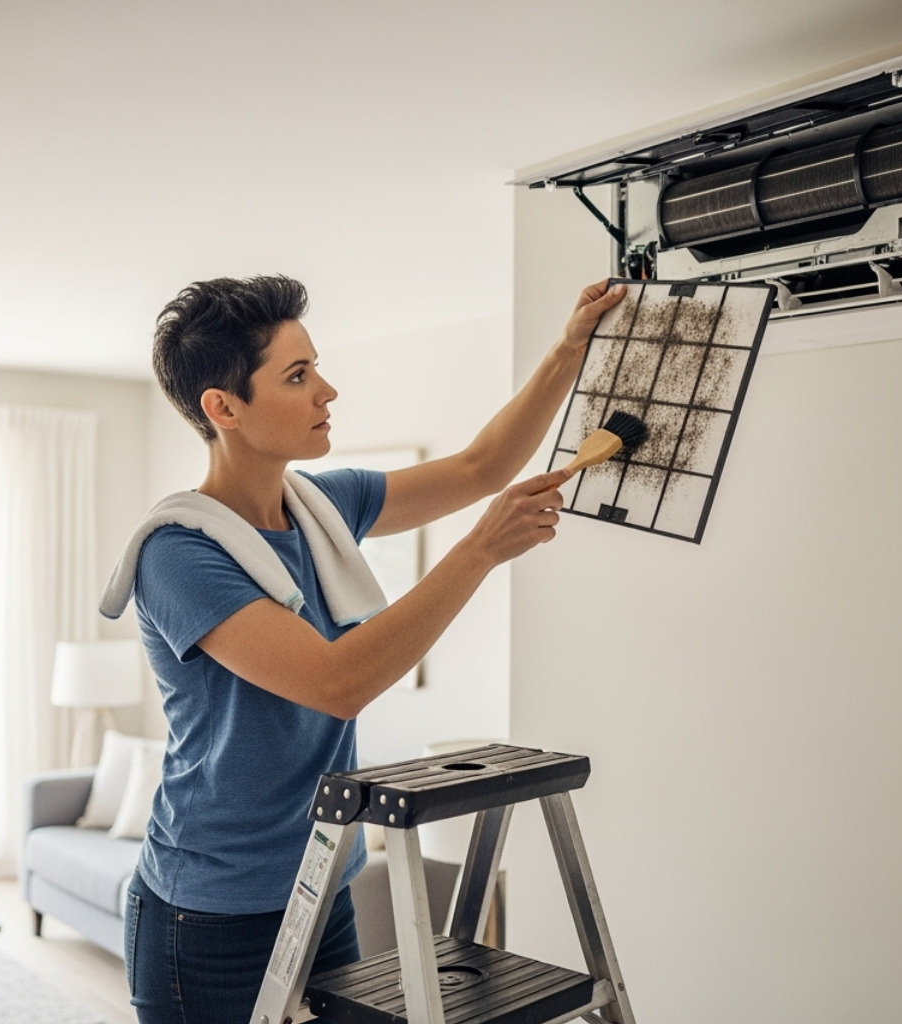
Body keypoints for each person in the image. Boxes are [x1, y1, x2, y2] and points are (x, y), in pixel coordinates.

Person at [117, 273, 627, 1024]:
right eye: (298, 375)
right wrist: (479, 550)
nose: (327, 390)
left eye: (316, 366)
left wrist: (567, 349)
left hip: (323, 884)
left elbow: (481, 467)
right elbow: (337, 681)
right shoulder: (179, 556)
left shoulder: (325, 505)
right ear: (223, 408)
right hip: (209, 915)